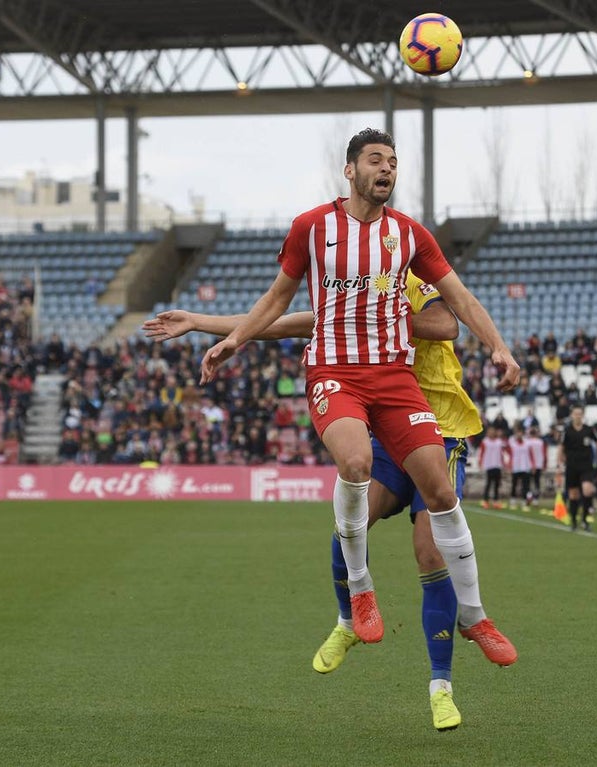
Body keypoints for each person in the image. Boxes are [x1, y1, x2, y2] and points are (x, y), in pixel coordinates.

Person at [187, 128, 520, 726]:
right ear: (350, 170)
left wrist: (498, 347)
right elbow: (279, 300)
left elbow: (459, 303)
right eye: (375, 160)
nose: (387, 168)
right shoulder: (313, 228)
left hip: (396, 382)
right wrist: (230, 339)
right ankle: (360, 593)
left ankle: (473, 617)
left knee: (441, 497)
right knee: (355, 464)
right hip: (336, 372)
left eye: (393, 161)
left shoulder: (410, 237)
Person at [144, 271, 517, 732]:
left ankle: (441, 687)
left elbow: (446, 324)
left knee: (429, 552)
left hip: (438, 427)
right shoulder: (349, 289)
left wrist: (379, 317)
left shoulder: (400, 275)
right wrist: (201, 322)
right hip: (382, 430)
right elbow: (282, 322)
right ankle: (347, 619)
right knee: (351, 518)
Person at [557, 405, 597, 531]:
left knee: (587, 490)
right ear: (572, 415)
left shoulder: (589, 430)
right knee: (573, 495)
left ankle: (585, 520)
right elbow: (561, 447)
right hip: (572, 465)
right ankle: (574, 520)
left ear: (583, 415)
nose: (578, 416)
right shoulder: (567, 430)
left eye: (580, 414)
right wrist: (559, 462)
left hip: (586, 465)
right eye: (575, 414)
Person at [478, 426, 507, 509]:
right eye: (489, 431)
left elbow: (502, 453)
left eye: (492, 431)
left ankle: (496, 501)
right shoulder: (485, 441)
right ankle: (485, 501)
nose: (491, 433)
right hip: (489, 465)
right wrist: (480, 462)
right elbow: (481, 452)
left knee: (497, 484)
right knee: (488, 484)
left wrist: (503, 463)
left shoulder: (499, 442)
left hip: (497, 465)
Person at [507, 421, 532, 509]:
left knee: (525, 486)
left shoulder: (527, 442)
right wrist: (509, 465)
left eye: (521, 433)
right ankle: (513, 501)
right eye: (518, 433)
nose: (519, 434)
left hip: (525, 467)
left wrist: (533, 465)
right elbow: (510, 454)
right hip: (516, 467)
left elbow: (531, 454)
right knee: (514, 485)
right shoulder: (512, 442)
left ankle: (524, 502)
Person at [526, 426, 548, 506]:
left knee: (528, 482)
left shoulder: (527, 442)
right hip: (538, 464)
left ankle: (529, 496)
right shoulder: (541, 442)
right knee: (536, 482)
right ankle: (535, 499)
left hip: (529, 465)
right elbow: (544, 454)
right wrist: (544, 464)